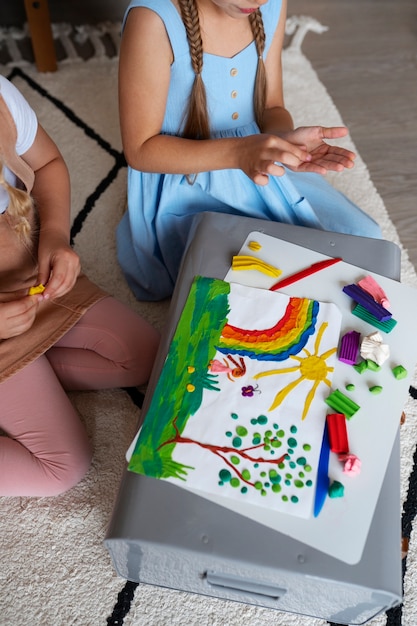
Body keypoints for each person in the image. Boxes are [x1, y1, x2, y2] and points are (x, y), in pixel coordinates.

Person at [116, 0, 382, 302]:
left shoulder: (268, 6)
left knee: (366, 242)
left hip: (257, 162)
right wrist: (240, 153)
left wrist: (283, 141)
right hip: (186, 180)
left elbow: (272, 107)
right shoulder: (152, 20)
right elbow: (141, 150)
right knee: (246, 287)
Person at [0, 75, 160, 497]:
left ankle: (33, 371)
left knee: (145, 357)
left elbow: (48, 163)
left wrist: (55, 238)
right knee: (62, 467)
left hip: (28, 275)